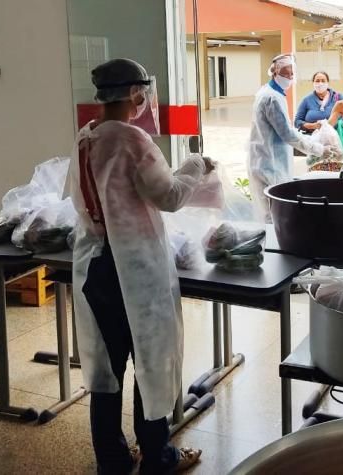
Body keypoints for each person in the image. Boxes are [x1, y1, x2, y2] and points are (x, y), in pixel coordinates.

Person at [68, 58, 211, 474]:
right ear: (136, 95)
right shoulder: (133, 140)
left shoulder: (86, 136)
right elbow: (168, 196)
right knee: (151, 361)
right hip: (133, 270)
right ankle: (158, 458)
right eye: (144, 94)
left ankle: (111, 460)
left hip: (95, 266)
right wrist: (196, 165)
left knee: (107, 372)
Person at [248, 53, 338, 222]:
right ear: (274, 72)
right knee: (273, 218)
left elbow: (287, 130)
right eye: (285, 73)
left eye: (291, 73)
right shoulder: (271, 99)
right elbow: (288, 134)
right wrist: (318, 149)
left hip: (266, 161)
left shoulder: (271, 93)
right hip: (269, 166)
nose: (289, 77)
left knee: (272, 215)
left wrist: (314, 140)